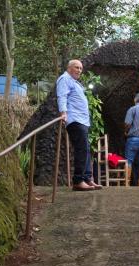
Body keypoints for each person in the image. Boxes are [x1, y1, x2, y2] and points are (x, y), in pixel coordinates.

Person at [56, 59, 102, 191]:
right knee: (81, 149)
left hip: (82, 120)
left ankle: (87, 178)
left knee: (86, 149)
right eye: (77, 67)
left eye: (81, 68)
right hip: (74, 119)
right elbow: (62, 96)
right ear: (69, 68)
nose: (79, 70)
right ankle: (78, 180)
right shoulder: (64, 79)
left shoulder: (75, 82)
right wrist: (63, 112)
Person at [124, 93, 139, 186]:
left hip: (133, 139)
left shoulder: (132, 109)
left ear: (135, 100)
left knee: (129, 161)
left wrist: (125, 132)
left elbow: (128, 123)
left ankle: (127, 183)